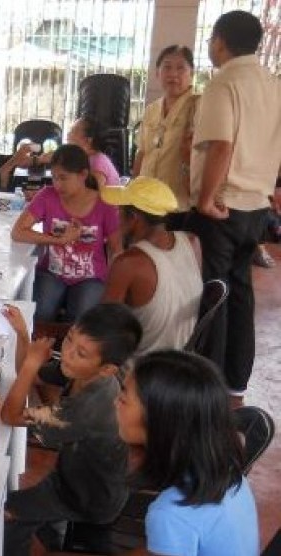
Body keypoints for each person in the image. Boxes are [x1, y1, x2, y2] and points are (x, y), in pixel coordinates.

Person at [185, 10, 281, 399]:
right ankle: (236, 382)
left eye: (211, 39)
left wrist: (206, 199)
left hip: (223, 206)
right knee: (240, 294)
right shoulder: (273, 84)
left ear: (220, 41)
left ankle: (207, 382)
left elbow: (222, 145)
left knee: (216, 291)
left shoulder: (224, 84)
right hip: (256, 206)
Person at [1, 303, 142, 555]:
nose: (66, 354)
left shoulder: (91, 406)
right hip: (72, 477)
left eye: (81, 353)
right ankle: (52, 536)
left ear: (107, 368)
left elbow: (10, 415)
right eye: (68, 340)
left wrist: (33, 362)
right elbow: (32, 374)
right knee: (30, 509)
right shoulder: (85, 371)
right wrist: (23, 335)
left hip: (87, 496)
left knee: (7, 511)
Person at [115, 350, 259, 555]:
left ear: (158, 421)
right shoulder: (227, 471)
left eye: (123, 397)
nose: (115, 402)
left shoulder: (169, 514)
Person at [11, 144, 122, 322]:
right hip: (52, 273)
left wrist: (112, 287)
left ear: (83, 175)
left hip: (91, 277)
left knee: (81, 318)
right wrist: (57, 240)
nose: (57, 184)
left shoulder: (104, 204)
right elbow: (18, 232)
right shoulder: (47, 195)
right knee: (40, 313)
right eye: (54, 177)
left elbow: (117, 249)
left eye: (63, 178)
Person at [101, 176, 203, 353]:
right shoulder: (192, 241)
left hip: (142, 367)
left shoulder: (128, 263)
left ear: (133, 218)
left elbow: (105, 326)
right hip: (184, 359)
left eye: (119, 210)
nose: (117, 216)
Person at [132, 45, 198, 230]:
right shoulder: (152, 109)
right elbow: (142, 152)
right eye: (167, 67)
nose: (173, 74)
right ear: (157, 73)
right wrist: (133, 188)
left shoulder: (198, 107)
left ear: (191, 73)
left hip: (178, 202)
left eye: (180, 68)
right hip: (146, 201)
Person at [65, 116, 122, 188]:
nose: (68, 134)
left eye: (74, 131)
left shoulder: (98, 161)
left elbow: (92, 192)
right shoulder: (82, 159)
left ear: (88, 140)